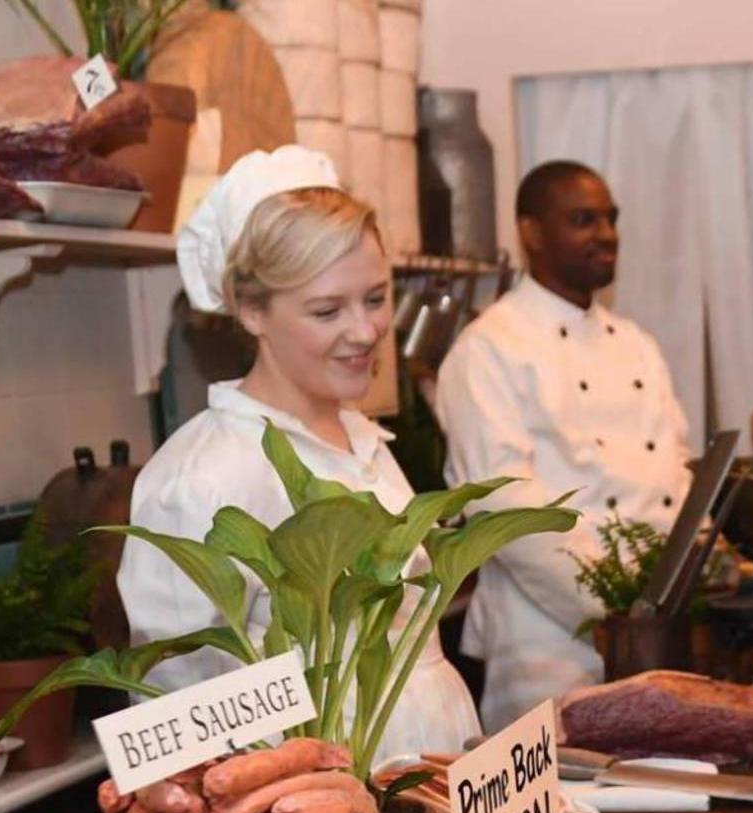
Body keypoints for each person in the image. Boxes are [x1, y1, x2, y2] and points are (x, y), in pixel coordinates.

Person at [120, 147, 481, 760]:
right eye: (326, 310)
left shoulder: (362, 438)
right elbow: (173, 725)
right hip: (317, 801)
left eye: (375, 298)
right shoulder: (200, 479)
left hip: (432, 773)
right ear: (252, 310)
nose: (365, 331)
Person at [435, 161, 697, 731]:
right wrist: (615, 605)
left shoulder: (637, 344)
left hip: (655, 635)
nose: (606, 234)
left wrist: (673, 594)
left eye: (610, 219)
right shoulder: (488, 349)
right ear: (529, 232)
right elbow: (503, 506)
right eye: (583, 220)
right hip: (546, 647)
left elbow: (677, 470)